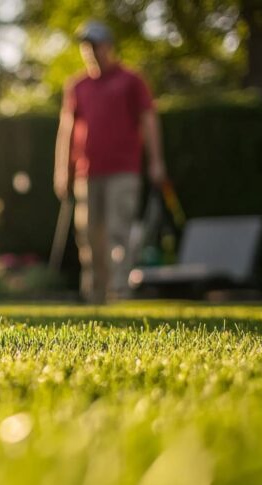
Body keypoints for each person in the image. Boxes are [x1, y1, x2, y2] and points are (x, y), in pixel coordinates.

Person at [54, 21, 166, 303]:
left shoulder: (131, 80)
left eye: (96, 45)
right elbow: (67, 129)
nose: (91, 52)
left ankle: (120, 291)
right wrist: (61, 169)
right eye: (86, 47)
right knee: (90, 237)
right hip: (87, 173)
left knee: (119, 230)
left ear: (109, 46)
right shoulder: (77, 85)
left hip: (123, 171)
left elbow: (149, 120)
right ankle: (95, 294)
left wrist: (156, 161)